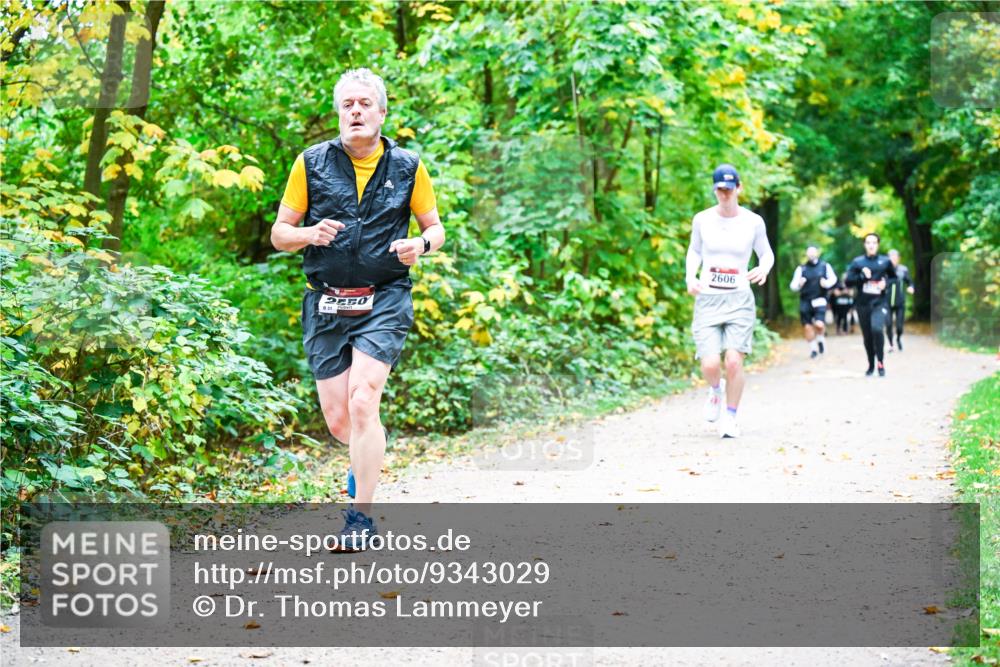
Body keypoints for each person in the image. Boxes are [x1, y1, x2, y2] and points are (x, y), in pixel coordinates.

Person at [270, 68, 445, 550]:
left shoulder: (409, 167)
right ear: (338, 114)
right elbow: (279, 234)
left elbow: (435, 228)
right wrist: (308, 234)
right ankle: (360, 467)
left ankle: (360, 519)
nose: (356, 111)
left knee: (364, 400)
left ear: (382, 113)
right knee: (340, 421)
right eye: (347, 104)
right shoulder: (311, 163)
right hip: (325, 300)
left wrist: (421, 246)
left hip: (384, 296)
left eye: (365, 103)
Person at [686, 164, 774, 438]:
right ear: (714, 190)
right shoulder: (702, 219)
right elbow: (694, 251)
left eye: (729, 189)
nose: (724, 195)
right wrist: (691, 276)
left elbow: (766, 253)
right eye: (719, 190)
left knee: (734, 361)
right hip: (708, 298)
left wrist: (764, 268)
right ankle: (715, 390)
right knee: (711, 364)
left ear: (739, 188)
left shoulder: (753, 221)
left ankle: (731, 417)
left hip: (739, 299)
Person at [845, 233, 895, 377]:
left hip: (880, 302)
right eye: (868, 242)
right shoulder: (857, 262)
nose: (871, 245)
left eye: (874, 242)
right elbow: (848, 282)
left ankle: (880, 362)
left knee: (877, 329)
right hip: (862, 304)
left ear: (878, 244)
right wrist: (861, 275)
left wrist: (885, 283)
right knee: (867, 336)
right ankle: (871, 364)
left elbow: (894, 279)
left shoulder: (885, 261)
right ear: (865, 245)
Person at [789, 246, 837, 358]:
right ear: (806, 254)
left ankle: (820, 339)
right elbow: (793, 286)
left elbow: (833, 279)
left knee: (819, 324)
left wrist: (826, 283)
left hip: (820, 299)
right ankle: (814, 349)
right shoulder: (801, 269)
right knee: (807, 327)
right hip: (805, 300)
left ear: (817, 253)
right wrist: (799, 284)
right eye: (809, 252)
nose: (811, 254)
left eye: (813, 252)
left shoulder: (825, 266)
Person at [884, 249, 914, 352]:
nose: (893, 260)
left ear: (898, 259)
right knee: (888, 324)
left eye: (895, 258)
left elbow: (909, 282)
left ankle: (898, 339)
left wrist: (911, 287)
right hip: (886, 302)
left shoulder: (903, 270)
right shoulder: (884, 270)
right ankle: (891, 344)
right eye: (891, 258)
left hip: (900, 302)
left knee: (899, 326)